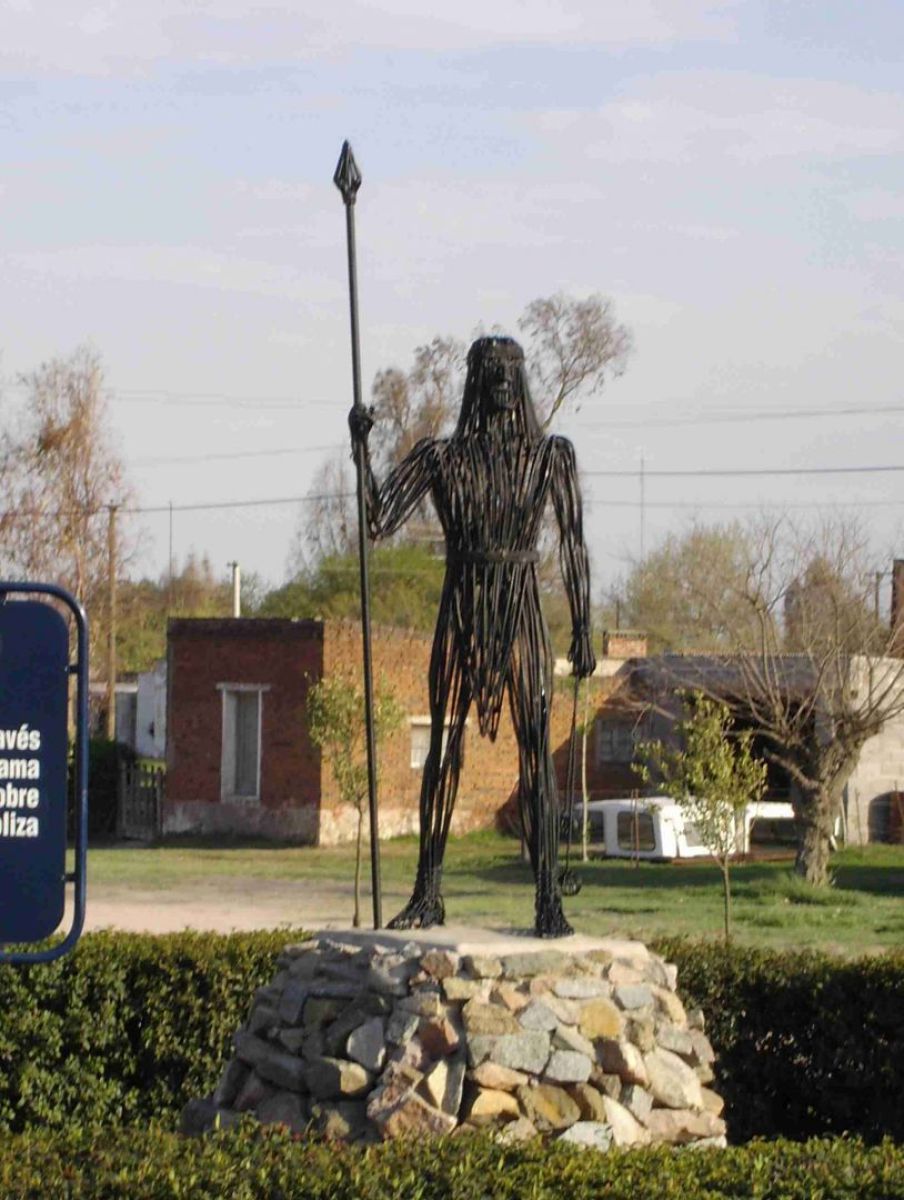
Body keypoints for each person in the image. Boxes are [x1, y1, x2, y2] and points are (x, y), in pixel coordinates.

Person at [349, 335, 595, 937]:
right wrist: (362, 449)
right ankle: (427, 893)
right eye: (491, 371)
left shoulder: (551, 456)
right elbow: (379, 519)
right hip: (461, 607)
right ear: (475, 382)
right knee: (443, 750)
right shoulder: (441, 457)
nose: (502, 381)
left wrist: (584, 628)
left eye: (511, 370)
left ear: (522, 380)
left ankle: (548, 901)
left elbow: (573, 543)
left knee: (535, 751)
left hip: (521, 609)